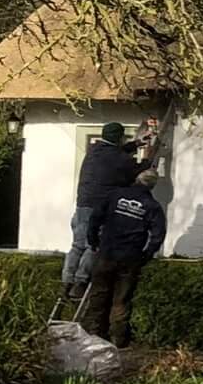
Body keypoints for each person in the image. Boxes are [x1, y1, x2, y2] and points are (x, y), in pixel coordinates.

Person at [80, 168, 166, 348]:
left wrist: (93, 240)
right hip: (130, 257)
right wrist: (147, 254)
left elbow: (95, 217)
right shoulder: (152, 206)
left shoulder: (115, 195)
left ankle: (92, 336)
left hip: (107, 252)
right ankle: (118, 341)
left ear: (137, 179)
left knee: (98, 295)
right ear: (152, 186)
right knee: (121, 300)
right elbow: (158, 235)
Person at [62, 123, 142, 297]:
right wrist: (146, 164)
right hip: (100, 208)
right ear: (119, 138)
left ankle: (67, 281)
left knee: (77, 245)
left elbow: (114, 153)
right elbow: (132, 172)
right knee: (93, 245)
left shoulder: (93, 151)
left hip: (82, 204)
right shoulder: (121, 160)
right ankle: (80, 282)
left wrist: (135, 144)